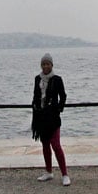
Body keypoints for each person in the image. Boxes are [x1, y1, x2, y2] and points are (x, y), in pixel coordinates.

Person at [31, 53, 69, 186]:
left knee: (56, 145)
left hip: (52, 117)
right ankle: (48, 171)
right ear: (41, 65)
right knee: (45, 144)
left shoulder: (57, 79)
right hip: (40, 117)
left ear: (52, 65)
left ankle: (64, 174)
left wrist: (58, 109)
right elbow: (36, 95)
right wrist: (35, 107)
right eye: (43, 64)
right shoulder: (37, 79)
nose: (45, 66)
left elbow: (63, 96)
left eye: (48, 63)